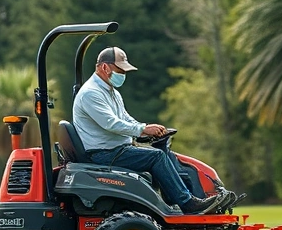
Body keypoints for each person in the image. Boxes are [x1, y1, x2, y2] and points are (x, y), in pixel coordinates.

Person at [72, 46, 228, 214]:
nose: (123, 75)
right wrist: (143, 130)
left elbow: (125, 118)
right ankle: (187, 203)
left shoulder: (112, 93)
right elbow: (111, 123)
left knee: (166, 154)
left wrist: (147, 129)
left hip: (117, 149)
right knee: (157, 157)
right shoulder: (91, 93)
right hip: (103, 154)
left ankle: (178, 202)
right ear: (104, 67)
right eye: (120, 70)